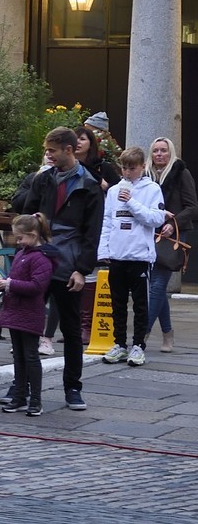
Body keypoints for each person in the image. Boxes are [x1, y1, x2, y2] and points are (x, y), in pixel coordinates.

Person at [10, 126, 102, 410]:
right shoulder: (44, 179)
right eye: (47, 150)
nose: (48, 155)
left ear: (69, 151)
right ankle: (20, 386)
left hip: (68, 261)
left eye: (52, 150)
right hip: (40, 258)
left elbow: (92, 232)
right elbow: (26, 214)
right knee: (24, 323)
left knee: (71, 329)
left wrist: (81, 269)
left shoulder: (89, 186)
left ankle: (73, 388)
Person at [97, 146, 165, 368]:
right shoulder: (114, 190)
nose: (127, 173)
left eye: (132, 168)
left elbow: (156, 219)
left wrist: (132, 202)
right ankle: (119, 343)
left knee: (140, 304)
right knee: (117, 303)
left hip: (140, 256)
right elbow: (107, 221)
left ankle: (138, 345)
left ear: (142, 167)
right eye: (124, 168)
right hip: (117, 254)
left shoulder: (152, 189)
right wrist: (104, 251)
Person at [0, 214, 55, 416]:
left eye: (20, 238)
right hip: (16, 311)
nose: (18, 242)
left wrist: (9, 284)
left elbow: (38, 286)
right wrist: (3, 283)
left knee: (30, 356)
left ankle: (35, 399)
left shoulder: (40, 258)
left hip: (30, 313)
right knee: (19, 356)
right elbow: (15, 278)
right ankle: (19, 396)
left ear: (32, 234)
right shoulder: (23, 254)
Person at [149, 137, 195, 351]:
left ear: (171, 153)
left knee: (158, 285)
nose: (159, 154)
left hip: (173, 236)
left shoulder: (180, 172)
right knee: (155, 288)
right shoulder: (147, 175)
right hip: (149, 234)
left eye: (163, 151)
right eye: (156, 150)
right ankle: (168, 334)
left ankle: (142, 333)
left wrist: (173, 222)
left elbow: (192, 207)